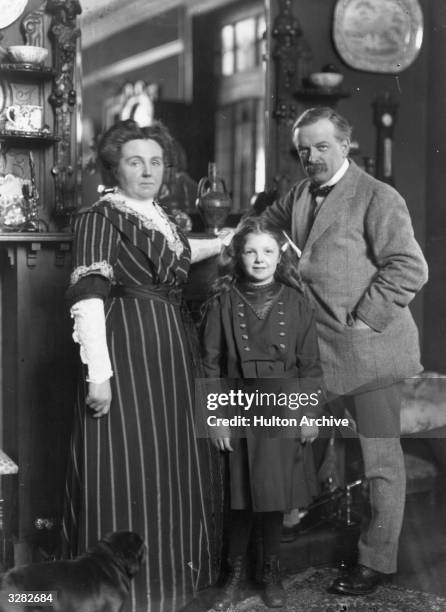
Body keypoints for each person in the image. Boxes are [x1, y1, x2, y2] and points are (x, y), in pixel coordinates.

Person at [62, 119, 233, 612]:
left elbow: (178, 252)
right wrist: (99, 375)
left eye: (155, 162)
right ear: (115, 167)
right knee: (126, 467)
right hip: (128, 350)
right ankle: (119, 596)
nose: (147, 170)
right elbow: (89, 296)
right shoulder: (99, 217)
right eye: (135, 161)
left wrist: (223, 240)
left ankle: (169, 587)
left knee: (170, 465)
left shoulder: (160, 215)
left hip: (172, 350)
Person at [262, 106, 428, 595]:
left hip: (370, 352)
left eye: (321, 147)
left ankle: (376, 564)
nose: (311, 157)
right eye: (303, 150)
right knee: (291, 435)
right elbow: (265, 224)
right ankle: (287, 536)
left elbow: (409, 267)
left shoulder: (378, 196)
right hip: (317, 353)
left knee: (379, 462)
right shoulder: (298, 193)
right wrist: (275, 259)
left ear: (346, 145)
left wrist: (362, 321)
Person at [201, 216, 323, 609]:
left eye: (267, 251)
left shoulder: (297, 302)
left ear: (279, 256)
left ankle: (270, 572)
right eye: (251, 251)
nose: (259, 259)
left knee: (273, 496)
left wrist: (308, 414)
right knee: (239, 498)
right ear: (238, 256)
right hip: (237, 405)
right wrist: (215, 417)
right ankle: (233, 575)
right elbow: (209, 365)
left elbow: (310, 365)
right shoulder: (222, 301)